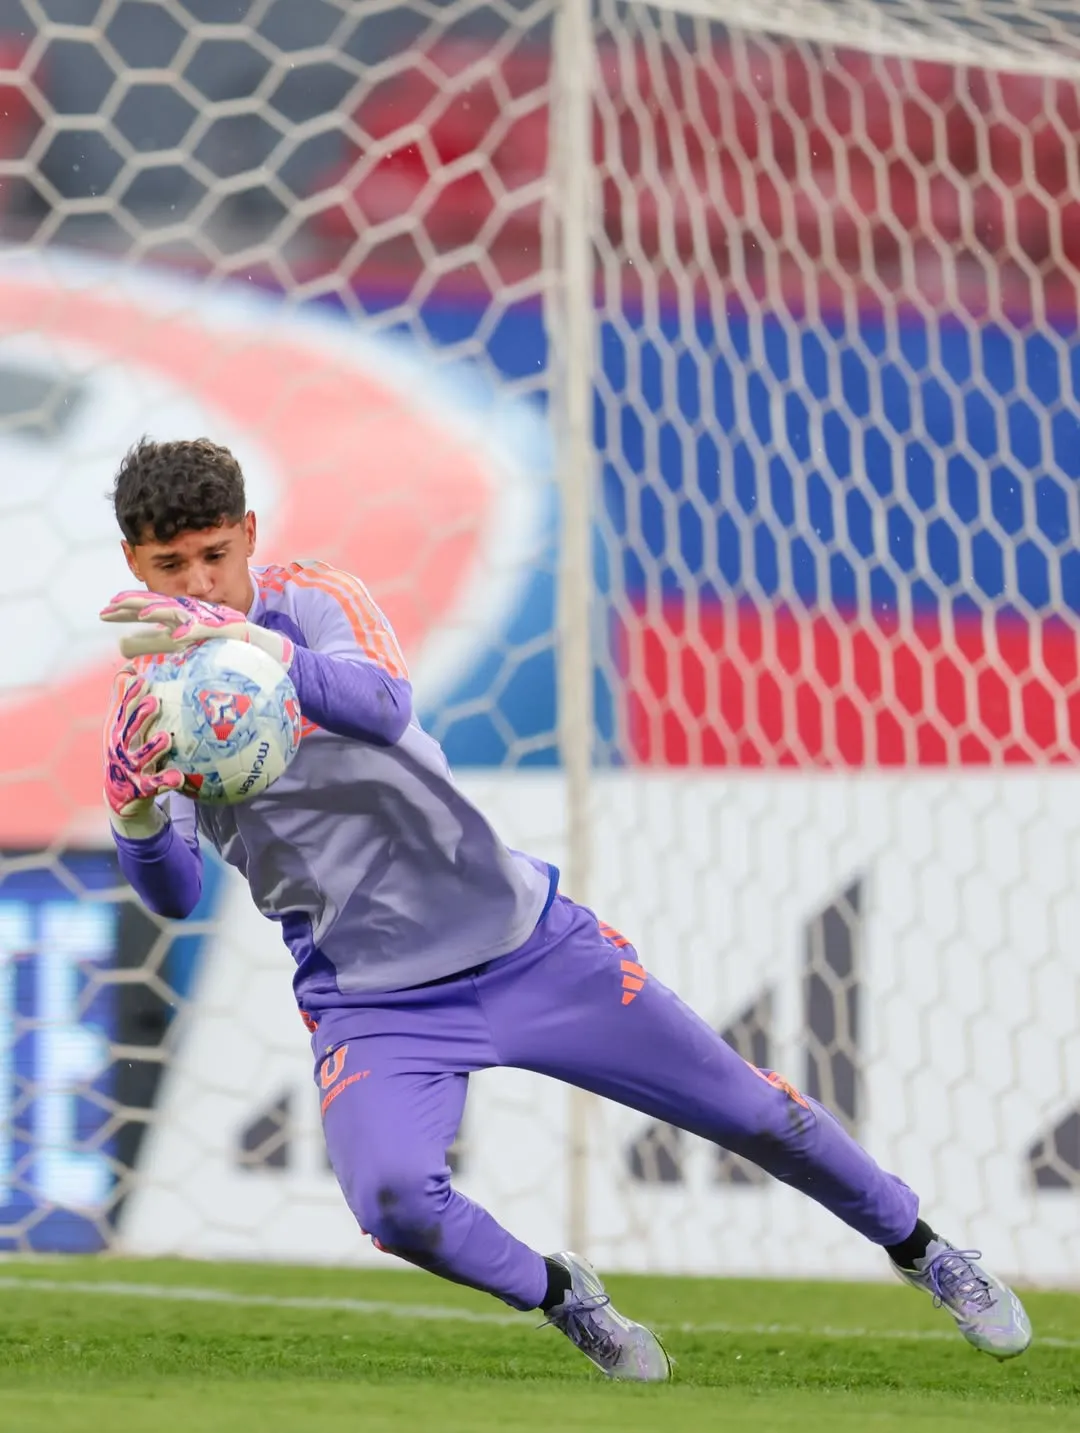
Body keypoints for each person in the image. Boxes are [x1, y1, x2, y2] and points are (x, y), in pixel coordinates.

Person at [100, 437, 1032, 1380]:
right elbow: (175, 895)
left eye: (216, 554)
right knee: (393, 1202)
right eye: (171, 565)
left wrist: (255, 648)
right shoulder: (152, 704)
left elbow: (382, 703)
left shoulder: (311, 600)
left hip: (527, 947)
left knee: (756, 1115)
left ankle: (923, 1248)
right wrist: (135, 814)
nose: (202, 582)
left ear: (250, 534)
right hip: (375, 1001)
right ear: (134, 565)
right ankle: (562, 1294)